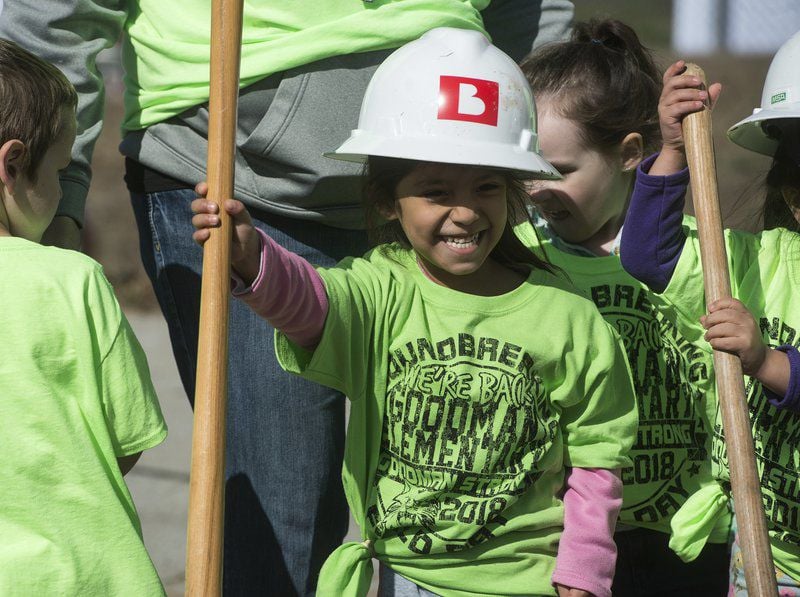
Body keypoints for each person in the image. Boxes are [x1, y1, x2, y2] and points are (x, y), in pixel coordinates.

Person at [0, 2, 575, 593]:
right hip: (238, 175)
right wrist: (66, 198)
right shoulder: (73, 283)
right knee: (282, 520)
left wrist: (535, 154)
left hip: (465, 141)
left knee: (484, 487)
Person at [191, 27, 638, 597]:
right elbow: (314, 305)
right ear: (386, 199)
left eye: (486, 187)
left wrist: (585, 569)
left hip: (527, 579)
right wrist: (252, 257)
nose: (464, 213)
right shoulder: (381, 290)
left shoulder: (567, 315)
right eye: (435, 191)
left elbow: (600, 453)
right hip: (407, 578)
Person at [514, 19, 731, 596]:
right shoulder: (518, 260)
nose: (535, 189)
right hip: (566, 538)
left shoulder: (688, 256)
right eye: (526, 171)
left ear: (630, 152)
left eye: (557, 171)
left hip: (683, 532)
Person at [619, 31, 800, 594]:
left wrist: (768, 361)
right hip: (765, 551)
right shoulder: (753, 262)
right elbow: (651, 254)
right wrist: (673, 151)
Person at [0, 39, 167, 595]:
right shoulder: (72, 279)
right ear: (14, 164)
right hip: (84, 575)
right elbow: (129, 439)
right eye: (59, 167)